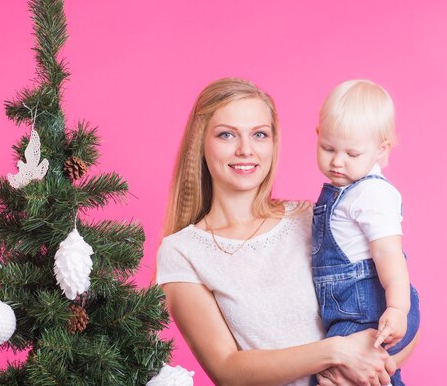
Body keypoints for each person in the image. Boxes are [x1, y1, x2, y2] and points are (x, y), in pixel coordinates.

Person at [156, 77, 417, 386]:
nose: (245, 150)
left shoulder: (314, 219)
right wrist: (335, 352)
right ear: (201, 142)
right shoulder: (182, 251)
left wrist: (361, 373)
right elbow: (226, 369)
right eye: (226, 135)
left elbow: (399, 313)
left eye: (259, 134)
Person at [311, 80, 420, 386]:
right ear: (317, 136)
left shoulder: (370, 193)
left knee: (331, 373)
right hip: (351, 316)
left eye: (352, 153)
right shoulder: (344, 192)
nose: (337, 161)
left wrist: (398, 309)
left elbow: (389, 253)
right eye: (328, 148)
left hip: (370, 314)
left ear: (380, 149)